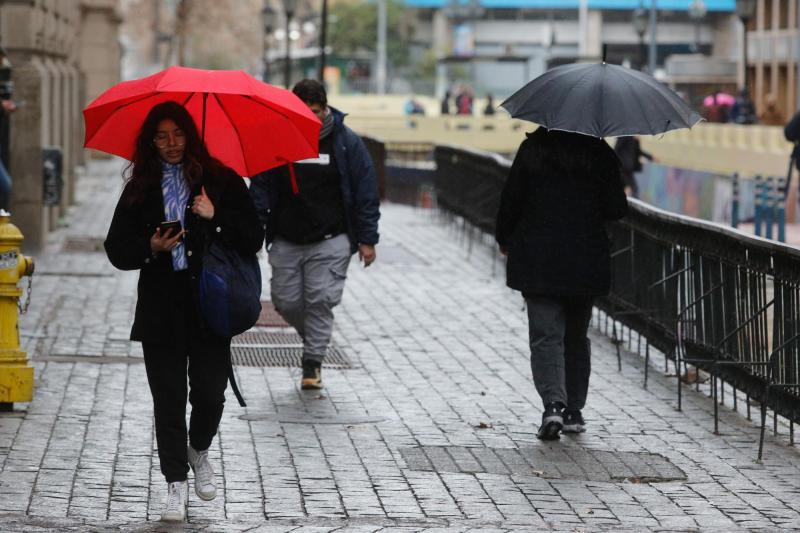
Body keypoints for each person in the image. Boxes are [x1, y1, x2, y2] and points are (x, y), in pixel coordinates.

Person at [104, 101, 264, 522]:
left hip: (210, 304)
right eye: (161, 136)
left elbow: (252, 237)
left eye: (178, 134)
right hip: (162, 306)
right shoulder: (140, 187)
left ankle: (199, 448)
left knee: (211, 393)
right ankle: (175, 483)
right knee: (169, 399)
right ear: (150, 141)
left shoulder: (222, 180)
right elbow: (116, 249)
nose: (171, 144)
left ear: (190, 135)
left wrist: (217, 216)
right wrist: (151, 248)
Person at [495, 127, 627, 440]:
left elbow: (511, 199)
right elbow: (616, 208)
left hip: (538, 258)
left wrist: (504, 237)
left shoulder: (534, 149)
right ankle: (574, 411)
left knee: (545, 336)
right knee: (576, 337)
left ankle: (553, 404)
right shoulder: (599, 152)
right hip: (584, 260)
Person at [250, 79, 380, 390]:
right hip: (286, 238)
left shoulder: (346, 143)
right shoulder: (277, 141)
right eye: (303, 111)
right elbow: (261, 190)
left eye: (316, 111)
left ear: (326, 109)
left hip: (331, 238)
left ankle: (313, 363)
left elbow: (365, 191)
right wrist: (253, 232)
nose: (311, 117)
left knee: (320, 301)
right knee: (286, 301)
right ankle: (317, 339)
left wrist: (367, 239)